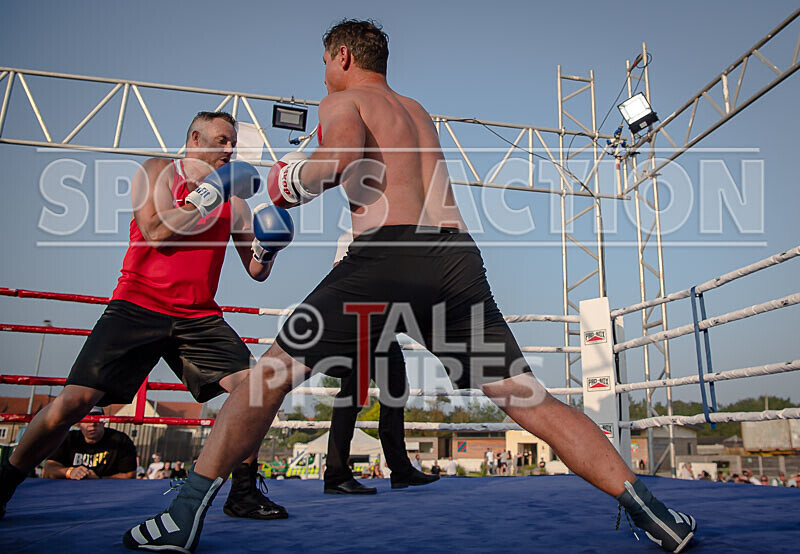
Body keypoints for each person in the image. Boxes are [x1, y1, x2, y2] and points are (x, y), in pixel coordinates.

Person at [123, 20, 696, 553]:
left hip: (386, 259)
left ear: (342, 56)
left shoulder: (342, 100)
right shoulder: (417, 110)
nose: (323, 75)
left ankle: (182, 518)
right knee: (529, 399)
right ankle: (655, 513)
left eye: (324, 62)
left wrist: (287, 182)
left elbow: (339, 159)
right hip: (455, 262)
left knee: (264, 379)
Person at [0, 111, 292, 522]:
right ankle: (5, 481)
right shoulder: (158, 171)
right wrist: (209, 194)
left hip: (197, 316)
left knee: (257, 391)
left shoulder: (236, 202)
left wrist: (269, 247)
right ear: (195, 139)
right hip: (138, 305)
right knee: (75, 402)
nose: (230, 149)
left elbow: (256, 272)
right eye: (221, 140)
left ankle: (242, 491)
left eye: (232, 143)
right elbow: (155, 231)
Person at [323, 230, 437, 494]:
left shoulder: (393, 235)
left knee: (396, 390)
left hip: (381, 327)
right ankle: (336, 474)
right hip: (358, 325)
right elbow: (340, 275)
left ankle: (400, 470)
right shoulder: (350, 236)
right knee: (352, 396)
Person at [43, 406, 136, 479]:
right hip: (69, 489)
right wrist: (69, 472)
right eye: (87, 419)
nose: (92, 424)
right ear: (79, 423)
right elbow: (48, 469)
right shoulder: (68, 439)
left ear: (103, 421)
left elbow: (130, 475)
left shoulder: (120, 441)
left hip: (106, 491)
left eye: (97, 419)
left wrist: (98, 479)